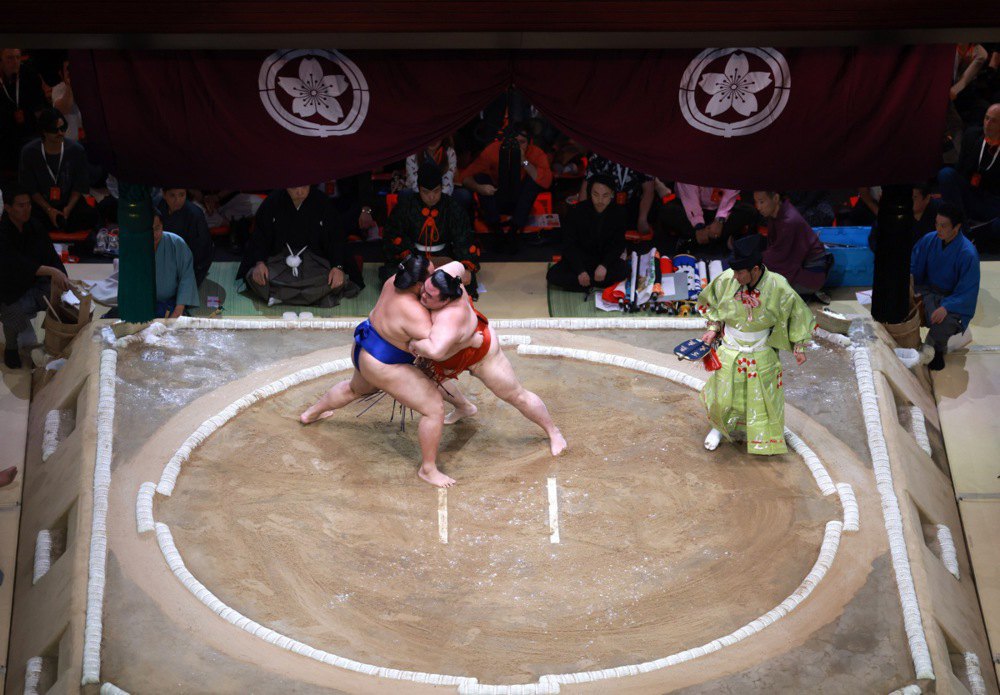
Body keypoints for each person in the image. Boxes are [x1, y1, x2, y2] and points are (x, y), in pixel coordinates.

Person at [299, 255, 459, 487]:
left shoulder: (393, 280)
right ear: (418, 284)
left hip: (363, 345)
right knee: (434, 409)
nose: (434, 277)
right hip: (382, 362)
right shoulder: (414, 312)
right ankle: (428, 469)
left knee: (355, 389)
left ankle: (311, 414)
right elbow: (439, 348)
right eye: (430, 276)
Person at [408, 262, 567, 456]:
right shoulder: (445, 277)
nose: (422, 295)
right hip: (453, 355)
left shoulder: (450, 317)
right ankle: (464, 407)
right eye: (424, 289)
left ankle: (553, 431)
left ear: (445, 301)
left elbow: (436, 351)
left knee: (516, 395)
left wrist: (414, 345)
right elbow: (459, 265)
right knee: (429, 377)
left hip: (482, 355)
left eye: (429, 295)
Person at [697, 234, 816, 455]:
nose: (736, 276)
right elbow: (714, 305)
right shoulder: (726, 280)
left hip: (761, 349)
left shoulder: (778, 285)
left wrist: (798, 345)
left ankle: (760, 435)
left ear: (755, 268)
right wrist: (713, 330)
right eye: (734, 271)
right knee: (724, 395)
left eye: (740, 272)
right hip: (731, 347)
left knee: (760, 398)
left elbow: (796, 312)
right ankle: (718, 428)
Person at [240, 185, 359, 307]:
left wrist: (337, 266)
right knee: (255, 277)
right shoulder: (273, 201)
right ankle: (314, 298)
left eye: (304, 187)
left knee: (338, 280)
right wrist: (260, 263)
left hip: (314, 261)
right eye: (293, 188)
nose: (299, 192)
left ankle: (280, 296)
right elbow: (261, 234)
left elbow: (336, 237)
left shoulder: (322, 202)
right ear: (285, 186)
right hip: (280, 260)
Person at [0, 183, 69, 369]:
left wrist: (62, 275)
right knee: (13, 311)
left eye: (28, 204)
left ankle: (50, 344)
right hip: (8, 289)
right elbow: (16, 265)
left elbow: (51, 255)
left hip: (34, 283)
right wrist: (50, 271)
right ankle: (11, 348)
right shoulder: (2, 232)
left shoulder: (35, 225)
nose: (26, 209)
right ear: (7, 208)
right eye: (21, 205)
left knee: (59, 297)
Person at [381, 163, 479, 286]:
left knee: (465, 277)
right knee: (391, 275)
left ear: (441, 188)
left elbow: (464, 238)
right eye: (425, 192)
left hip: (445, 258)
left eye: (436, 191)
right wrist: (416, 261)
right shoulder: (406, 206)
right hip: (414, 258)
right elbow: (393, 235)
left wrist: (464, 266)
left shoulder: (452, 207)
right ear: (419, 188)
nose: (431, 197)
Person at [460, 121, 552, 253]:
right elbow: (466, 176)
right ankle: (497, 231)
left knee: (534, 180)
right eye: (514, 142)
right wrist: (479, 188)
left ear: (529, 142)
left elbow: (546, 181)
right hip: (497, 197)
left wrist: (523, 161)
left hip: (520, 202)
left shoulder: (536, 153)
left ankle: (513, 232)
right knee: (481, 178)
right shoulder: (493, 150)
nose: (518, 146)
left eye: (522, 142)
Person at [911, 202, 980, 371]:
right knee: (902, 304)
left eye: (943, 226)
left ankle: (934, 350)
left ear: (956, 227)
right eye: (936, 224)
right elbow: (914, 266)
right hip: (928, 292)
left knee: (942, 323)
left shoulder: (968, 253)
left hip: (953, 300)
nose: (938, 229)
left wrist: (946, 307)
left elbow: (967, 291)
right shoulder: (929, 240)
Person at [18, 108, 99, 234]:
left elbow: (79, 186)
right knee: (28, 221)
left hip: (69, 202)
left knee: (90, 216)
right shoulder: (29, 152)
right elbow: (30, 188)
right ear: (44, 131)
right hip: (41, 205)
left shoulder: (76, 150)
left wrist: (68, 208)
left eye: (63, 128)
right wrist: (49, 210)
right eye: (55, 130)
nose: (60, 133)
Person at [547, 174, 628, 292]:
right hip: (582, 259)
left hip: (603, 259)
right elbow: (568, 245)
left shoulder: (619, 213)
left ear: (612, 195)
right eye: (596, 194)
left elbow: (618, 245)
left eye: (605, 195)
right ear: (590, 193)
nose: (600, 200)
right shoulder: (576, 211)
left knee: (624, 270)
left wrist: (604, 265)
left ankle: (584, 284)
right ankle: (593, 283)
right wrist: (580, 270)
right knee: (553, 275)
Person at [938, 103, 1000, 252]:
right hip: (971, 194)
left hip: (993, 202)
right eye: (986, 118)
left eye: (994, 121)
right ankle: (964, 232)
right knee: (946, 174)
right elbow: (959, 172)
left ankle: (977, 234)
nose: (988, 124)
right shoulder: (972, 136)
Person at [753, 190, 831, 301]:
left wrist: (752, 264)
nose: (758, 207)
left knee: (757, 285)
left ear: (775, 198)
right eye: (756, 202)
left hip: (810, 275)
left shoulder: (789, 220)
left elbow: (780, 257)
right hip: (795, 265)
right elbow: (774, 249)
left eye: (761, 202)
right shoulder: (776, 213)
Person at [656, 183, 753, 256]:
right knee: (667, 211)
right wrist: (699, 225)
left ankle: (696, 239)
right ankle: (714, 238)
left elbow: (731, 189)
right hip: (689, 210)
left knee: (749, 211)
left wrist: (720, 219)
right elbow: (689, 197)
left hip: (720, 209)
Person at [578, 153, 654, 234]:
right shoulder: (599, 156)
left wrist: (642, 219)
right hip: (602, 206)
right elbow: (585, 187)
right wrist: (583, 217)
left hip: (631, 207)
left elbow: (648, 191)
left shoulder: (642, 159)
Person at [0, 49, 48, 174]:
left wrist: (28, 115)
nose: (15, 62)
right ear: (1, 61)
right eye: (10, 58)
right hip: (5, 135)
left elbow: (40, 107)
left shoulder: (29, 76)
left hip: (29, 132)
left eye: (17, 57)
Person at [147, 210, 200, 319]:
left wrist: (178, 310)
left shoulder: (176, 243)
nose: (153, 234)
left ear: (162, 226)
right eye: (148, 230)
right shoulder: (134, 248)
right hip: (142, 302)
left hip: (170, 301)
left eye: (157, 228)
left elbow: (186, 276)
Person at [156, 187, 213, 286]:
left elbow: (202, 250)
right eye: (172, 195)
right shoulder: (159, 207)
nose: (177, 200)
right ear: (164, 195)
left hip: (191, 263)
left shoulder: (195, 214)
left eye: (181, 195)